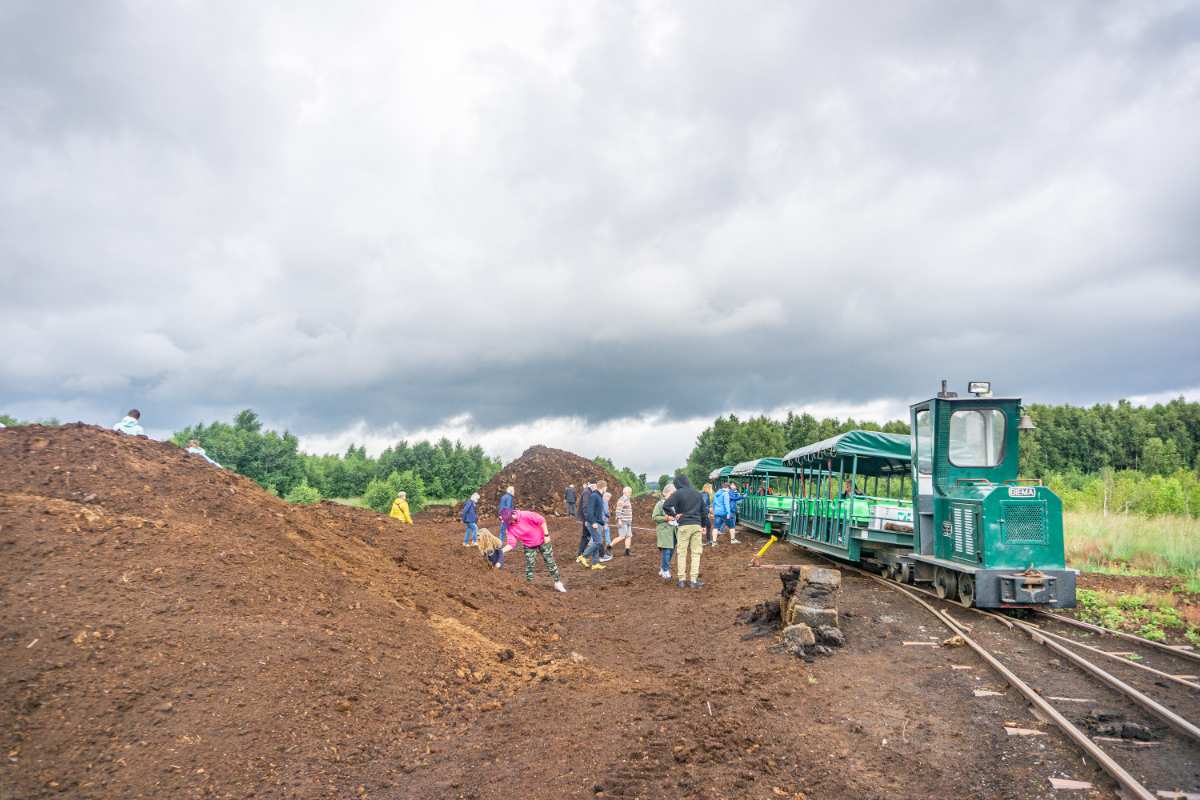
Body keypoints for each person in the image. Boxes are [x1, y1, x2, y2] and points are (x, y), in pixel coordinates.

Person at [502, 509, 567, 592]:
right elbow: (511, 544)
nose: (508, 523)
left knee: (550, 561)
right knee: (530, 565)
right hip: (529, 545)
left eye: (508, 520)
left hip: (542, 540)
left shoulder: (525, 515)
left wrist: (546, 535)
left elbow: (541, 520)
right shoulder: (509, 528)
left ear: (512, 516)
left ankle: (557, 583)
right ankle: (529, 586)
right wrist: (501, 551)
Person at [662, 473, 708, 589]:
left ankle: (681, 580)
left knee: (681, 553)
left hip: (683, 526)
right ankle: (693, 580)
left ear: (677, 484)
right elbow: (704, 512)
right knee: (696, 553)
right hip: (696, 526)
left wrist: (675, 515)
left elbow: (666, 505)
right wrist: (703, 525)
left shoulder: (678, 493)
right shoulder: (697, 494)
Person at [577, 480, 608, 570]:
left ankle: (595, 563)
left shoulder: (598, 495)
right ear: (603, 487)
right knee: (598, 542)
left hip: (597, 522)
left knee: (596, 542)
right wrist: (593, 522)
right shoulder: (594, 496)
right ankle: (583, 556)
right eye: (606, 487)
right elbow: (589, 511)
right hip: (594, 523)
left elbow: (597, 511)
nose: (606, 488)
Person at [653, 483, 676, 580]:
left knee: (671, 552)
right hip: (664, 531)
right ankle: (666, 571)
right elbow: (655, 517)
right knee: (666, 551)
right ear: (665, 493)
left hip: (674, 531)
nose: (673, 496)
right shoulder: (660, 504)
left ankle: (663, 568)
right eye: (671, 494)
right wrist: (666, 518)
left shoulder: (675, 504)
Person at [611, 486, 634, 556]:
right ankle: (609, 547)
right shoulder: (621, 500)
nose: (630, 493)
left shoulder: (627, 499)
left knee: (629, 536)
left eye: (631, 492)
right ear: (625, 492)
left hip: (628, 521)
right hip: (623, 521)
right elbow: (618, 511)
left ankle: (627, 551)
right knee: (622, 536)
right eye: (629, 492)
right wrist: (619, 520)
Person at [576, 480, 595, 558]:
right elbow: (585, 507)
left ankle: (580, 553)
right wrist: (588, 519)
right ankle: (582, 554)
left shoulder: (588, 491)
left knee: (586, 536)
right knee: (590, 536)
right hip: (587, 519)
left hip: (586, 518)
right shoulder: (587, 492)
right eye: (596, 486)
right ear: (592, 485)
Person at [601, 490, 614, 561]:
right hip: (603, 521)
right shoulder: (605, 502)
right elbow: (606, 512)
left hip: (601, 520)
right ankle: (608, 547)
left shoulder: (601, 501)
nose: (609, 499)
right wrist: (609, 514)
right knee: (606, 533)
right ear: (606, 497)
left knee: (602, 533)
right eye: (609, 497)